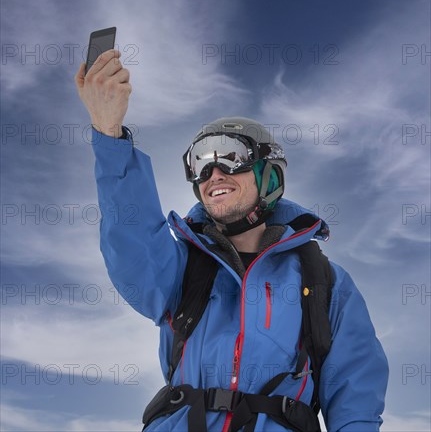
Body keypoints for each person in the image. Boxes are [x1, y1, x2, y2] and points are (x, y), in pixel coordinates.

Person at [75, 50, 389, 432]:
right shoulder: (181, 265)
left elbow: (356, 394)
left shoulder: (324, 282)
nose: (213, 173)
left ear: (268, 172)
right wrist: (109, 133)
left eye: (230, 155)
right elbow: (131, 242)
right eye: (200, 163)